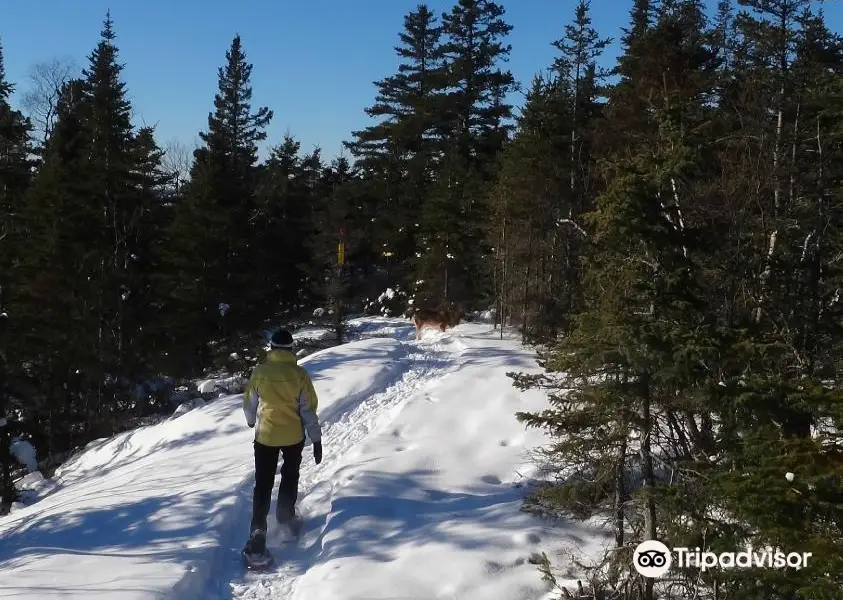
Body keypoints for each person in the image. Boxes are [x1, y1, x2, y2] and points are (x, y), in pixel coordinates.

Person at [241, 329, 323, 561]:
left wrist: (250, 421)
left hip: (265, 436)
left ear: (272, 348)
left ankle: (258, 529)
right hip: (292, 436)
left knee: (263, 483)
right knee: (289, 474)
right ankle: (286, 515)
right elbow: (308, 409)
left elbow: (249, 403)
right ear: (290, 348)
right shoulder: (300, 374)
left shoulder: (260, 372)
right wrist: (315, 439)